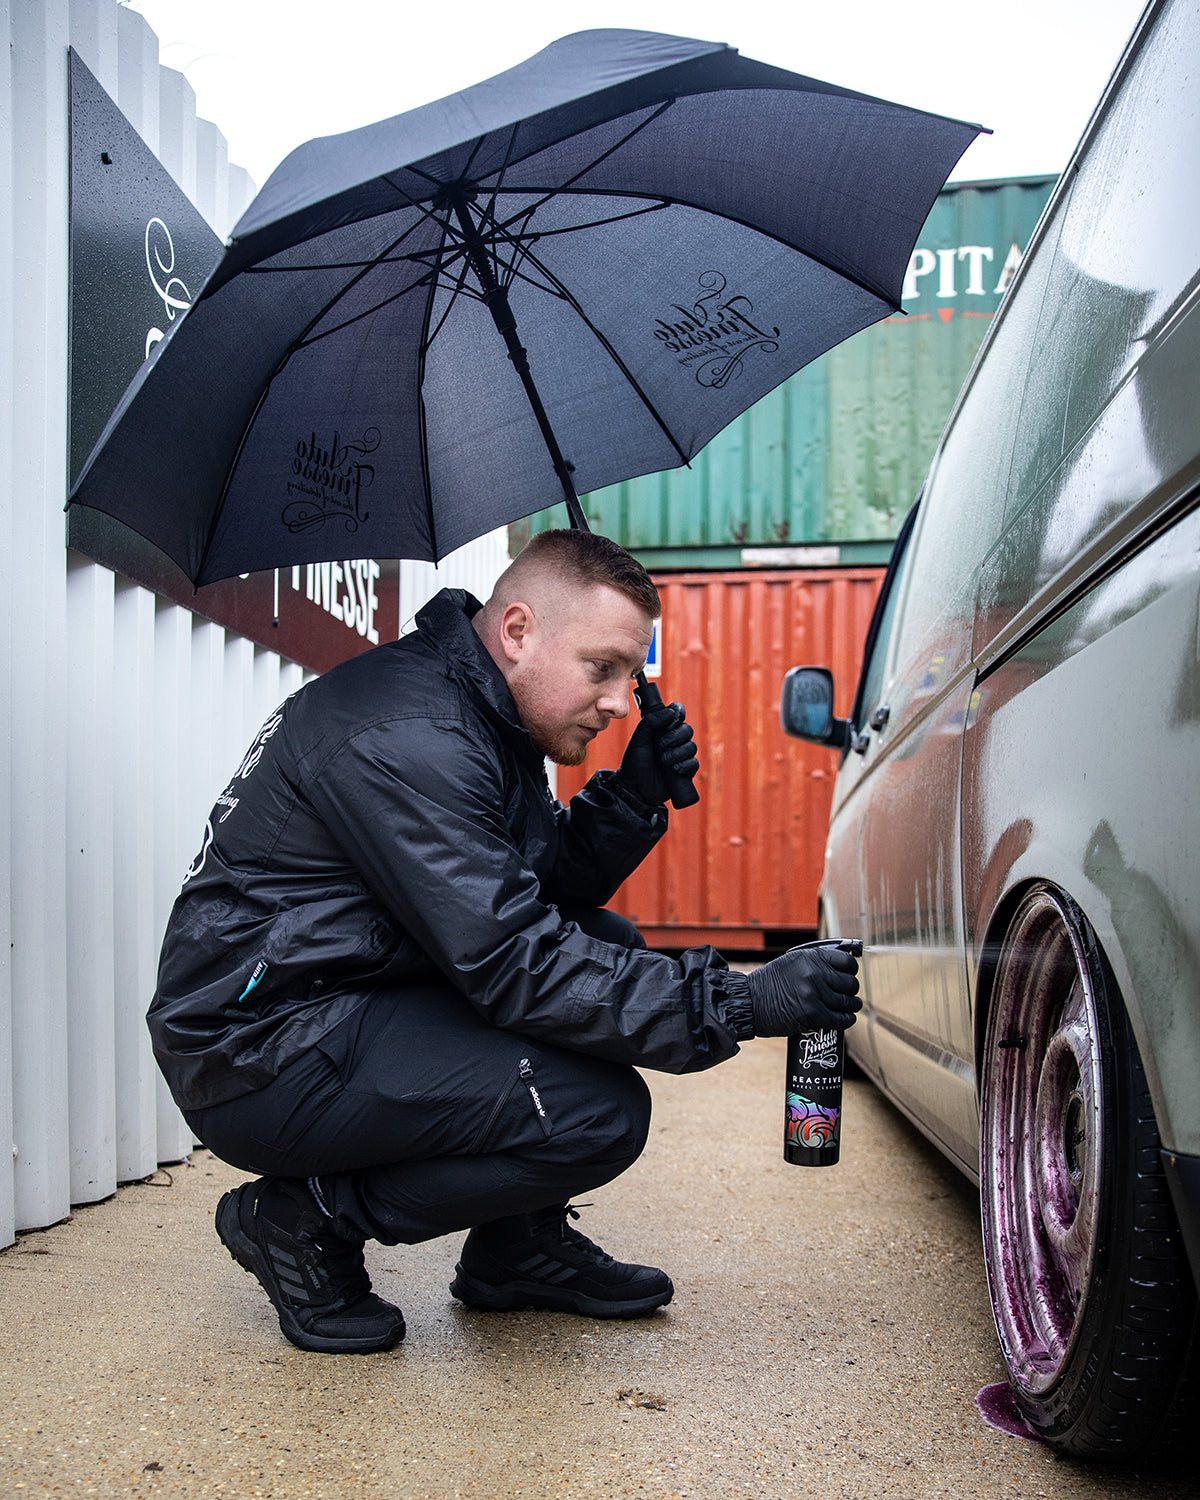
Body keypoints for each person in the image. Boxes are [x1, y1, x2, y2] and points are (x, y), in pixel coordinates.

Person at [150, 529, 860, 1355]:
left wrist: (630, 797)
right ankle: (305, 1218)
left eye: (632, 674)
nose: (623, 701)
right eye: (604, 668)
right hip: (259, 1047)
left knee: (608, 939)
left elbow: (528, 893)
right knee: (594, 1115)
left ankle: (515, 1250)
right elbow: (515, 961)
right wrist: (742, 999)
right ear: (518, 632)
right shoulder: (410, 735)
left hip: (342, 990)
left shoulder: (477, 708)